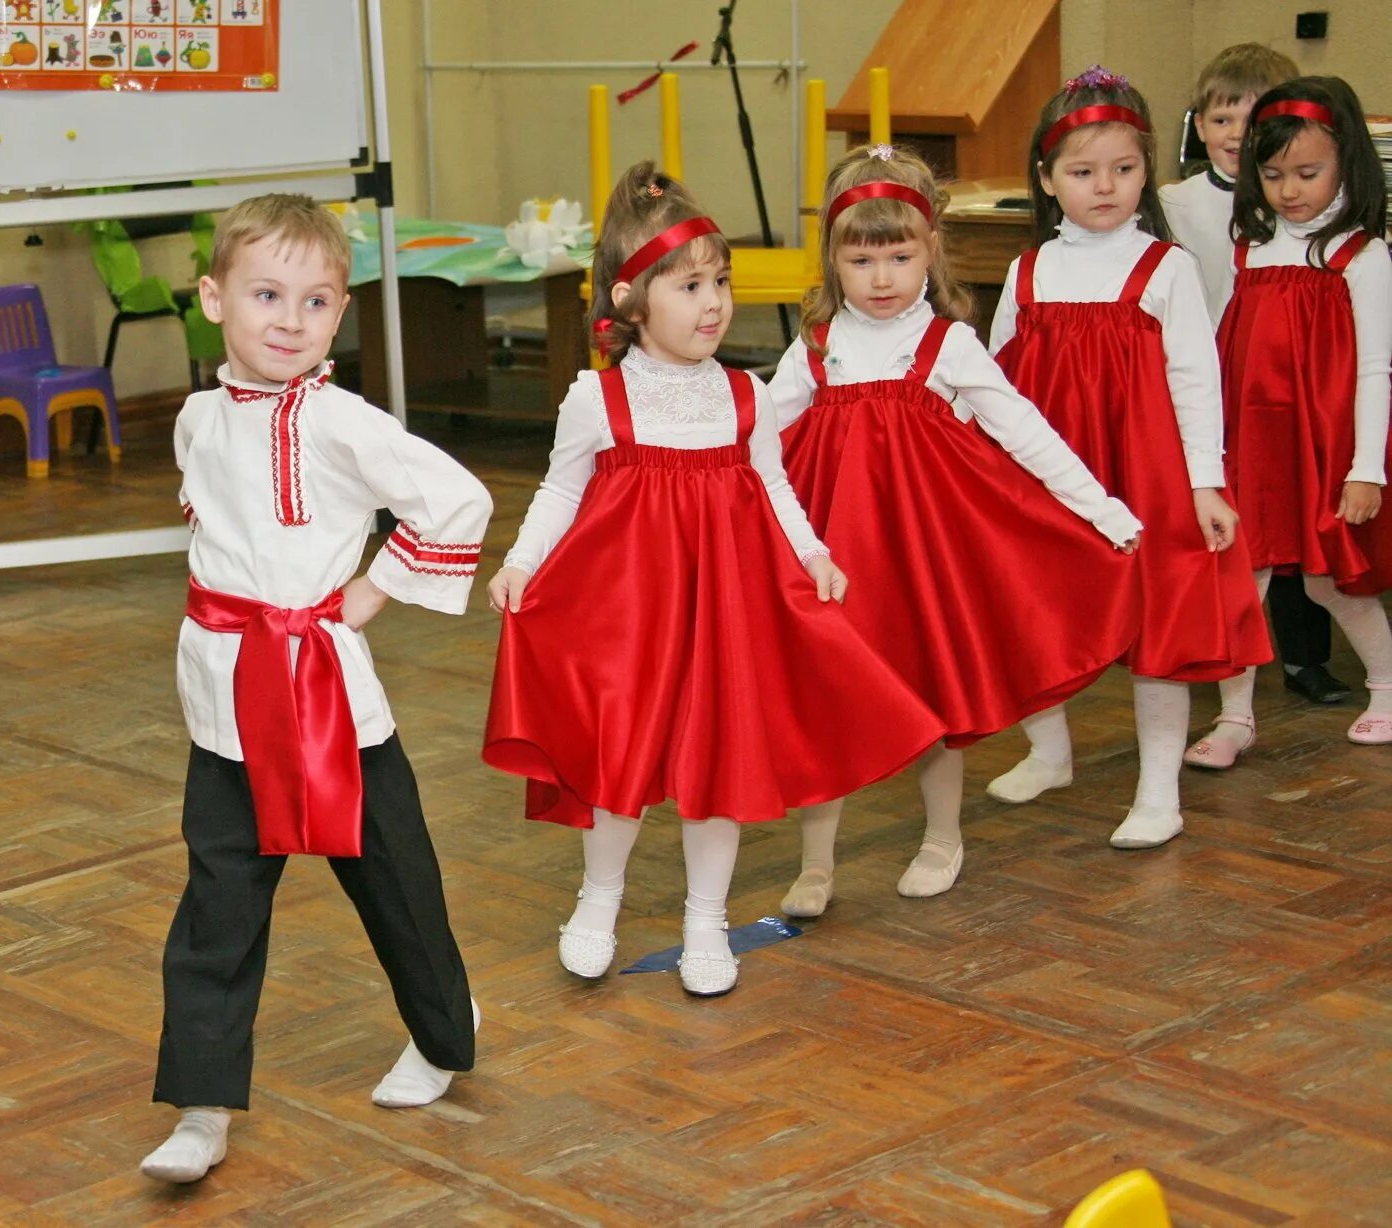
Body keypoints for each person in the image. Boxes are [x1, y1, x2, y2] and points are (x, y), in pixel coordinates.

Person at [483, 163, 944, 996]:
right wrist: (520, 561)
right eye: (690, 285)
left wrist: (811, 554)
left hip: (725, 613)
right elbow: (560, 488)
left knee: (716, 767)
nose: (713, 303)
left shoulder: (744, 395)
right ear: (628, 303)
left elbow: (773, 487)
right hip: (632, 615)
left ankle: (706, 917)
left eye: (721, 282)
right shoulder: (599, 399)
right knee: (620, 760)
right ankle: (598, 900)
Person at [141, 194, 490, 1185]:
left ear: (341, 314)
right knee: (218, 909)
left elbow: (457, 497)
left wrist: (375, 585)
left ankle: (442, 1030)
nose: (289, 319)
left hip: (334, 709)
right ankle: (201, 1107)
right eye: (265, 294)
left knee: (398, 886)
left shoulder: (344, 422)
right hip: (227, 717)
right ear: (213, 298)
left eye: (316, 299)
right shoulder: (197, 419)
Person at [768, 145, 1141, 910]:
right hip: (835, 558)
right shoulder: (815, 350)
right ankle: (815, 862)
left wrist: (1100, 509)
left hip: (924, 560)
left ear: (930, 252)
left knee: (934, 696)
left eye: (899, 257)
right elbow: (756, 443)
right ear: (832, 261)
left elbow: (1025, 432)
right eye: (862, 260)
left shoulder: (947, 345)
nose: (881, 279)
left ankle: (942, 836)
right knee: (826, 698)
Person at [987, 66, 1271, 848]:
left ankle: (1156, 790)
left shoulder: (1165, 267)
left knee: (1159, 632)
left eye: (1123, 169)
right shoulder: (1028, 269)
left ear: (1147, 171)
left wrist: (1205, 483)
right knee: (1034, 613)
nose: (1104, 187)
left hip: (1147, 477)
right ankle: (1049, 752)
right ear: (1047, 180)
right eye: (1081, 172)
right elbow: (992, 378)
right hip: (1051, 479)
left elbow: (1194, 379)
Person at [1184, 76, 1392, 765]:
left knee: (1328, 581)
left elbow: (1372, 370)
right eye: (1270, 175)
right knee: (1240, 577)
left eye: (1306, 173)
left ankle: (1387, 688)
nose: (1288, 190)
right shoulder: (1249, 249)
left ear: (1345, 164)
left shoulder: (1359, 256)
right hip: (1254, 443)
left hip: (1324, 445)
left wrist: (1365, 468)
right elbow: (1221, 350)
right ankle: (1236, 717)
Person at [1161, 43, 1348, 706]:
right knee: (1230, 527)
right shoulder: (1173, 202)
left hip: (1273, 381)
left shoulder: (1289, 198)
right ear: (1199, 124)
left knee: (1294, 520)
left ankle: (1304, 657)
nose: (1236, 133)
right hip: (1202, 379)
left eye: (1252, 118)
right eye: (1221, 118)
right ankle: (1215, 656)